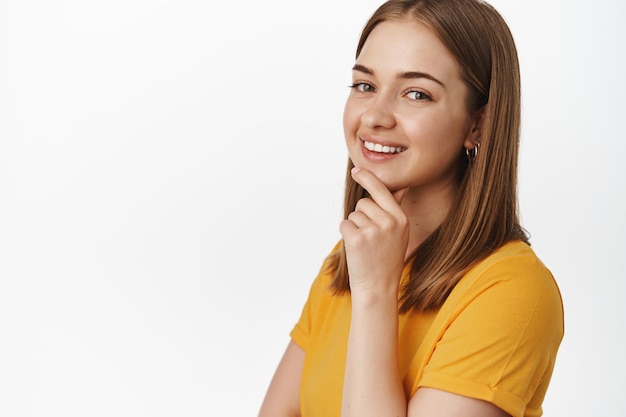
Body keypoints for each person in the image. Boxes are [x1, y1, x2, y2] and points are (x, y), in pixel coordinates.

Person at [258, 0, 564, 416]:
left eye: (416, 93)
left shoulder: (513, 292)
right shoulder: (349, 259)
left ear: (478, 125)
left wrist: (375, 295)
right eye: (365, 86)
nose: (374, 116)